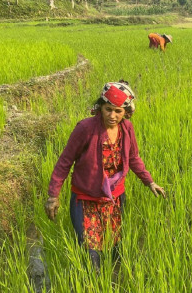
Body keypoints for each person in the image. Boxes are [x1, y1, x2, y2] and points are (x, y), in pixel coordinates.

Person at [44, 80, 166, 270]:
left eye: (118, 111)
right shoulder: (85, 128)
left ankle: (115, 278)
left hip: (114, 198)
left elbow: (133, 158)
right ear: (100, 107)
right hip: (86, 199)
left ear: (126, 112)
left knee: (114, 244)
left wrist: (149, 181)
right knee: (90, 251)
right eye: (108, 109)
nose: (112, 115)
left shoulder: (127, 129)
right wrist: (53, 195)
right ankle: (94, 283)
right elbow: (65, 161)